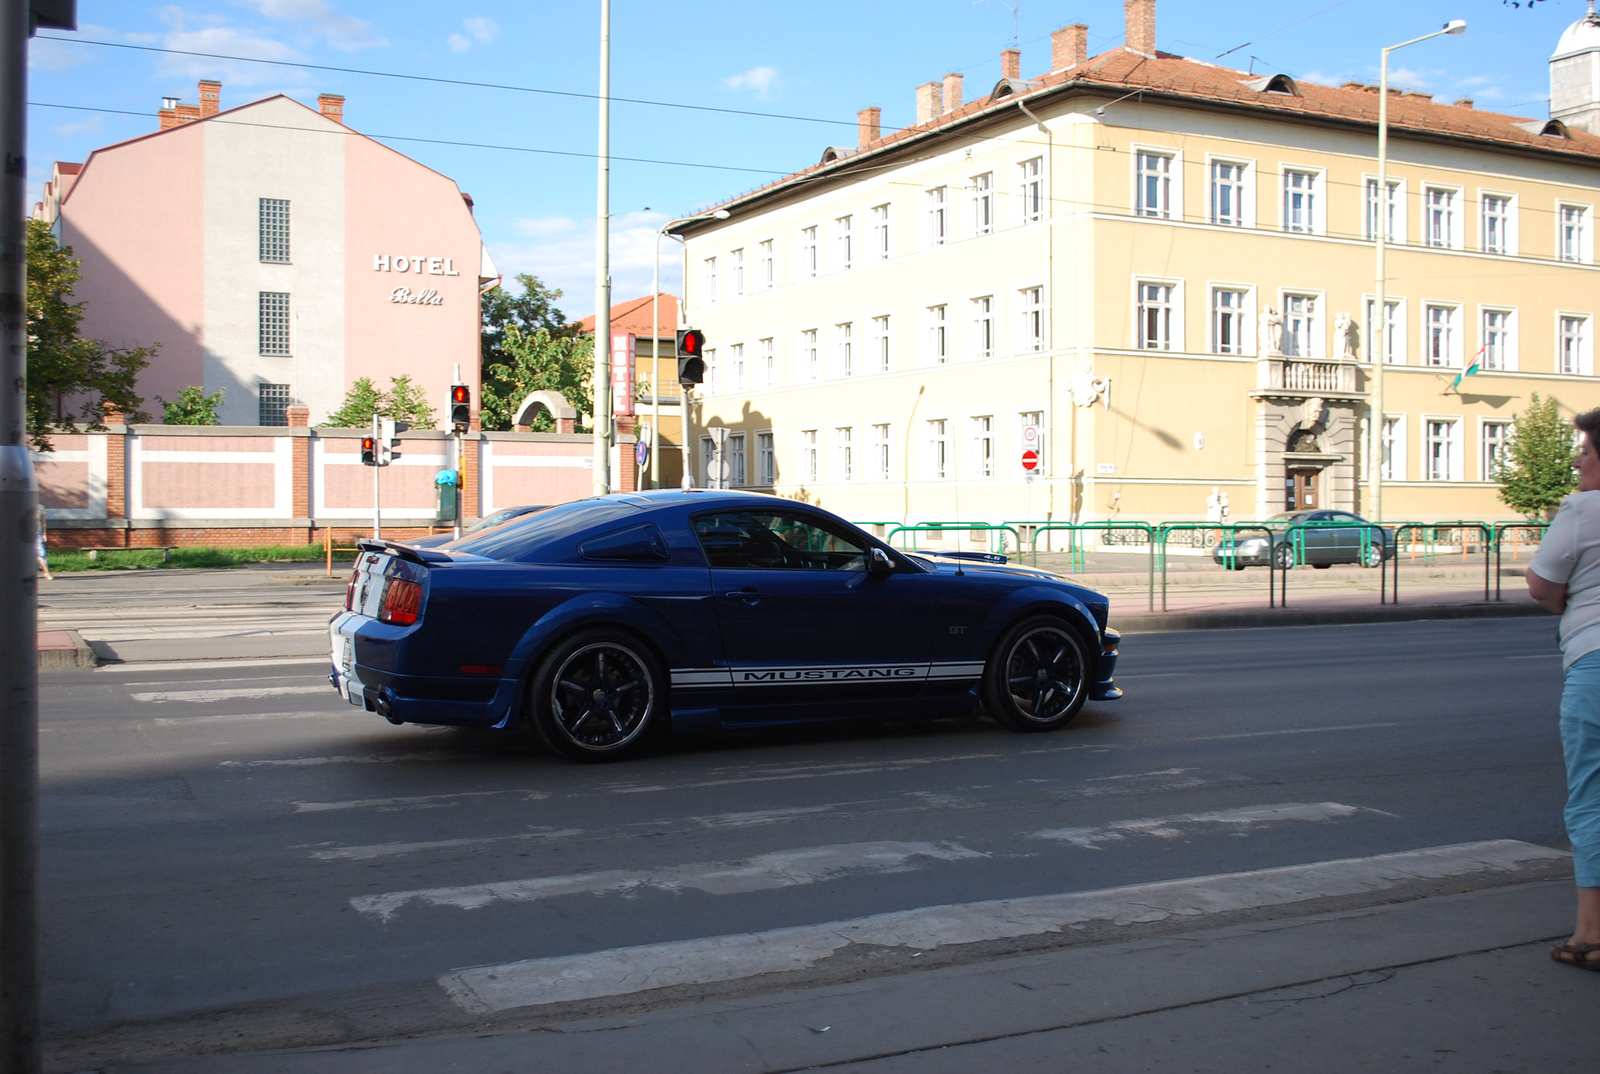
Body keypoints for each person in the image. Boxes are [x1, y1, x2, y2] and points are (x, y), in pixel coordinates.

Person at [1527, 405, 1600, 971]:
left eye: (1585, 450)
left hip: (1595, 663)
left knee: (1592, 798)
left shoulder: (1583, 510)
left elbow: (1542, 586)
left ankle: (1591, 934)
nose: (1577, 460)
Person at [36, 513, 51, 582]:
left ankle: (46, 572)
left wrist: (44, 534)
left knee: (41, 553)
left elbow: (43, 522)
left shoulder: (40, 507)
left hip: (36, 532)